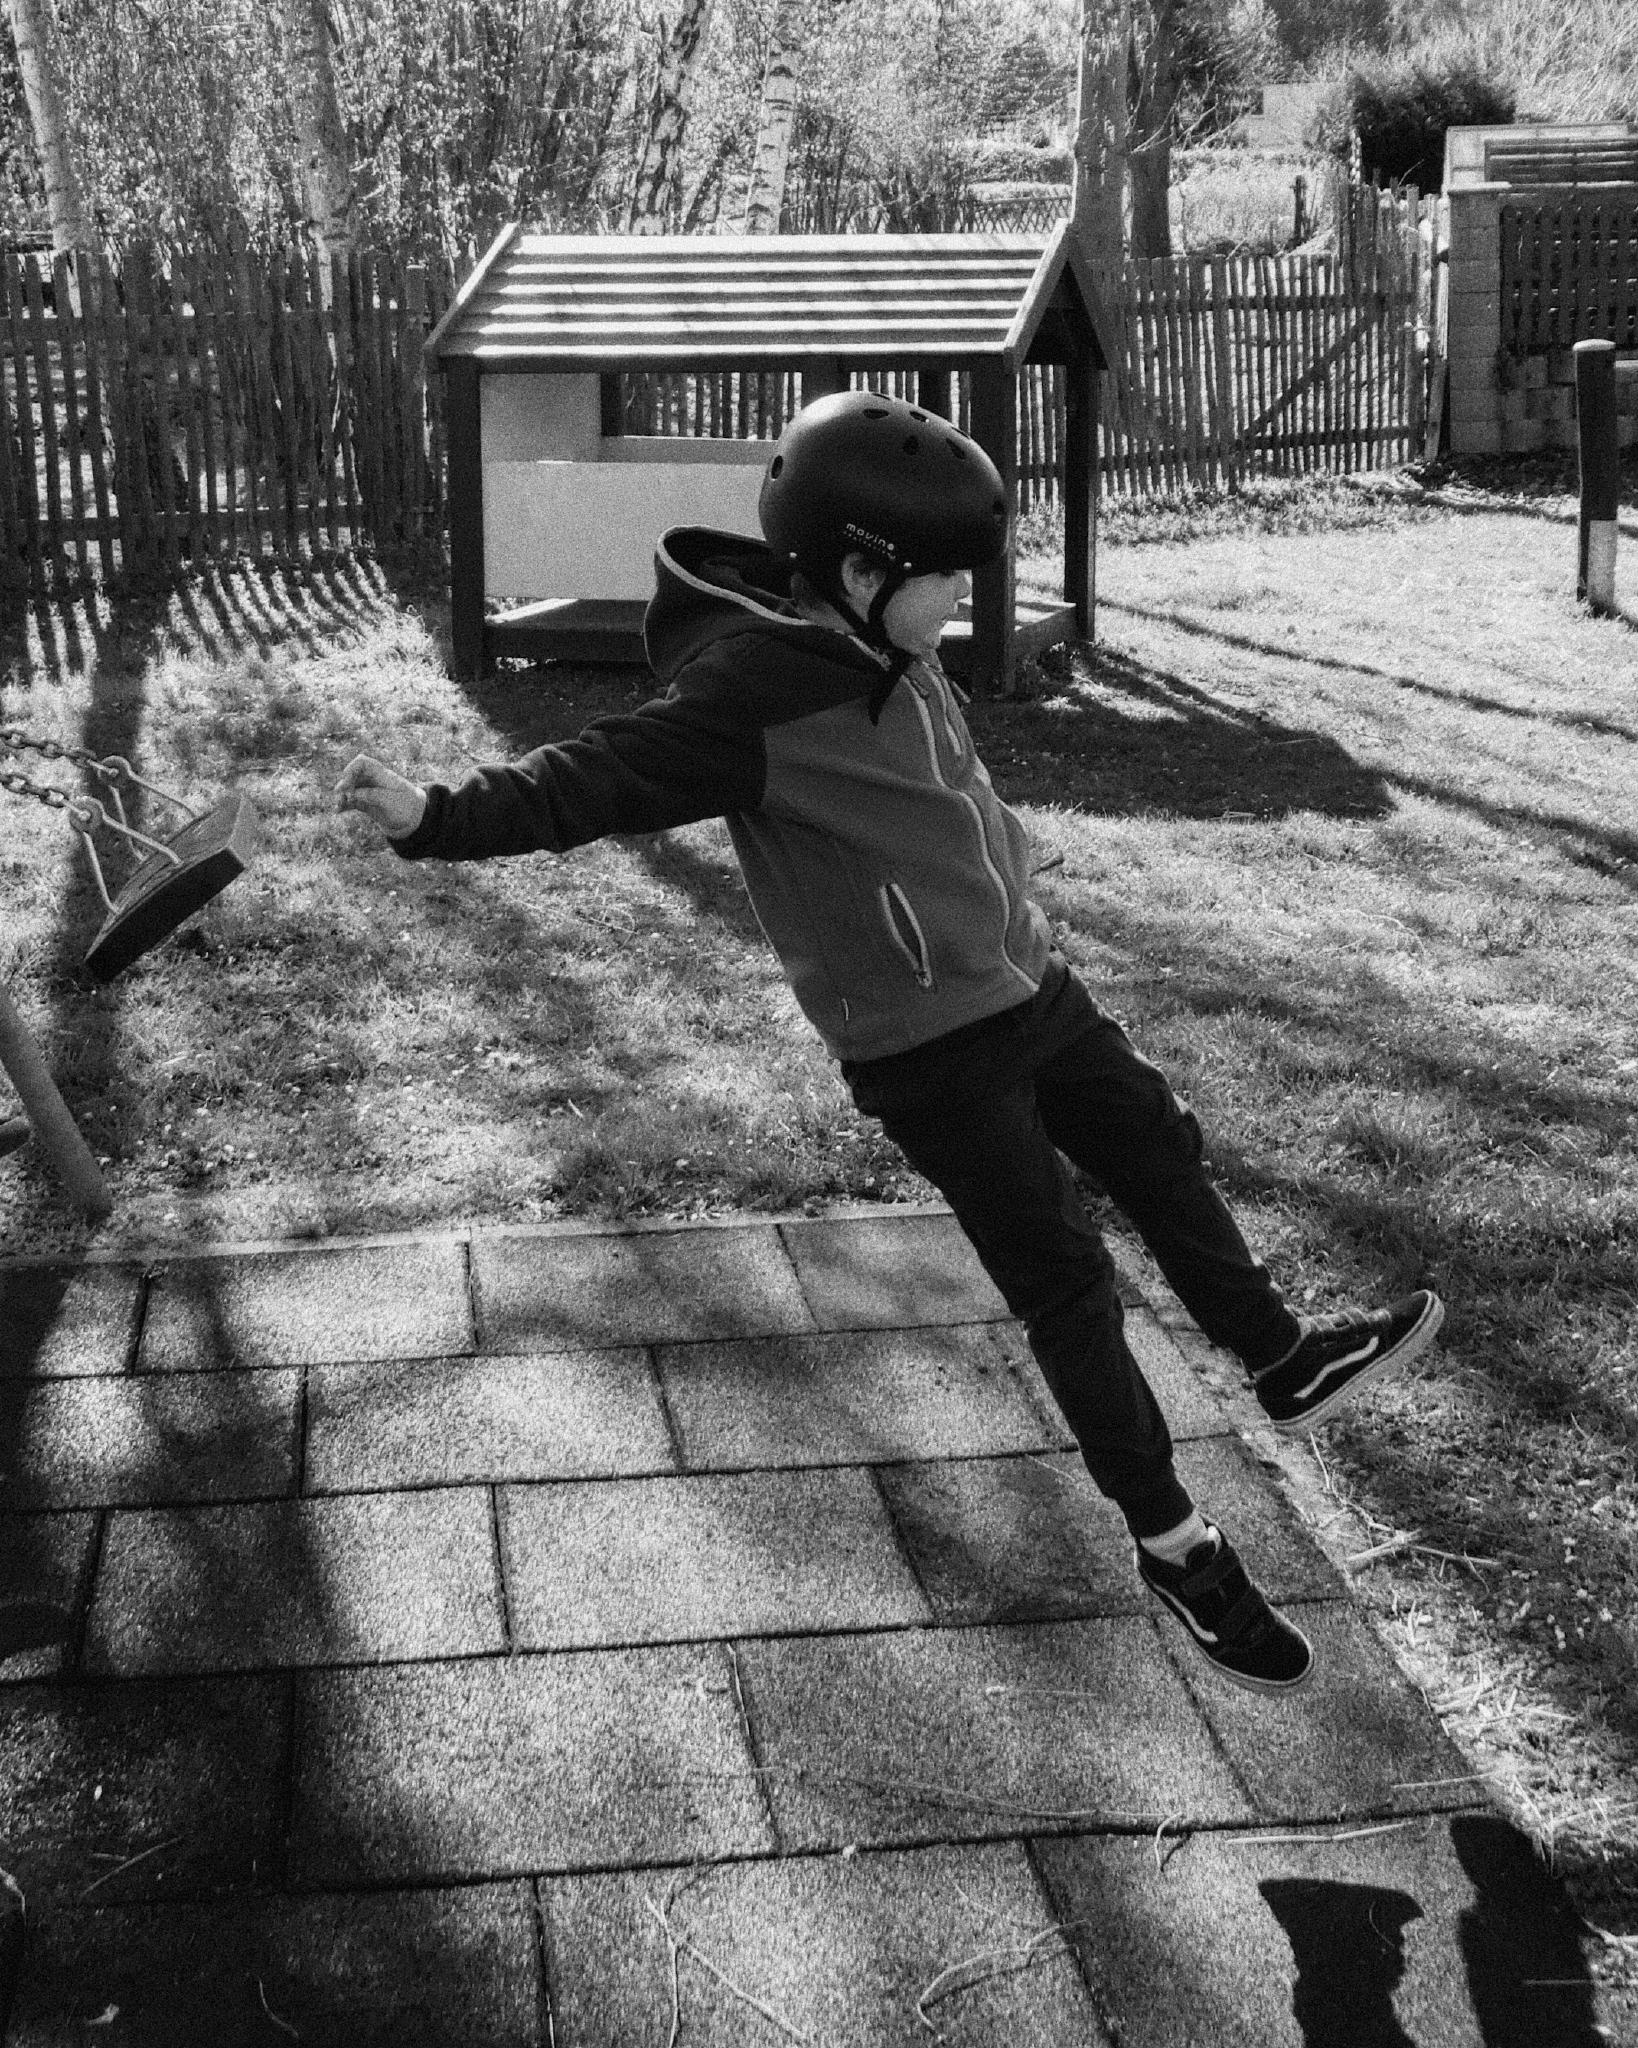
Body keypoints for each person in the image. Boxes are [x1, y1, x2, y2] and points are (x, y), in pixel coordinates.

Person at [336, 390, 1444, 1695]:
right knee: (1066, 1281)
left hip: (1025, 982)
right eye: (942, 585)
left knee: (1155, 1144)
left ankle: (1283, 1359)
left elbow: (938, 792)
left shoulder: (874, 640)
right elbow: (590, 778)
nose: (960, 609)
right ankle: (1175, 1544)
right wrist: (433, 814)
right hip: (931, 1048)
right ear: (860, 571)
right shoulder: (745, 695)